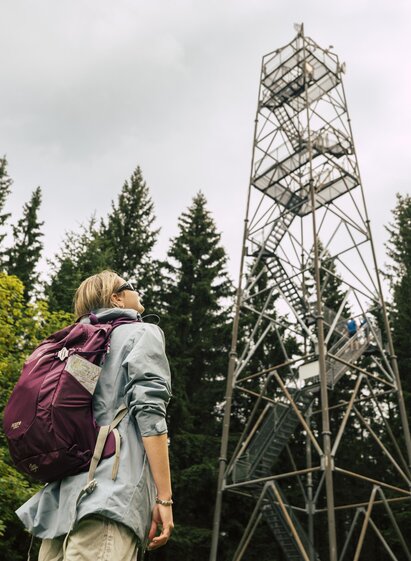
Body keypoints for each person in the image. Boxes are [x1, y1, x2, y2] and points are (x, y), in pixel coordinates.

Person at [16, 270, 174, 561]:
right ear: (117, 297)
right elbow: (150, 412)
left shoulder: (81, 347)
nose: (137, 290)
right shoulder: (143, 333)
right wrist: (164, 497)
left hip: (64, 503)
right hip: (109, 497)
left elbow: (70, 413)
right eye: (131, 286)